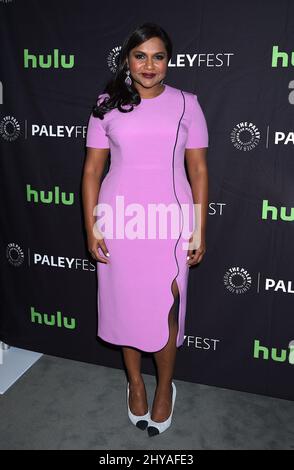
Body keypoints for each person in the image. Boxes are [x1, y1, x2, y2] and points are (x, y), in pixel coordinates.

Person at [82, 22, 209, 436]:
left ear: (169, 61)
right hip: (119, 221)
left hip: (169, 222)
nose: (149, 65)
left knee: (165, 307)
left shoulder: (188, 104)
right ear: (127, 60)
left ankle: (165, 387)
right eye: (141, 56)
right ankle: (135, 382)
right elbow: (91, 172)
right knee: (125, 305)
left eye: (158, 56)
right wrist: (92, 227)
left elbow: (199, 170)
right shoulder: (105, 105)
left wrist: (199, 228)